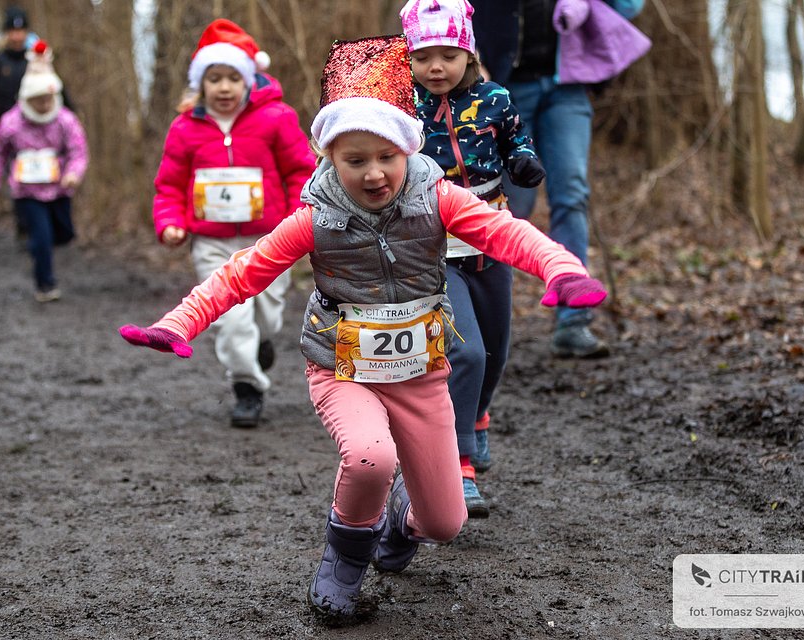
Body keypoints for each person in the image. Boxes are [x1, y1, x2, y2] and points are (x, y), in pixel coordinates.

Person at [119, 35, 607, 620]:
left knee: (444, 523)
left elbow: (509, 234)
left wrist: (562, 268)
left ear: (408, 151)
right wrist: (179, 323)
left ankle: (403, 522)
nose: (374, 174)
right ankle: (342, 569)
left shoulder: (440, 199)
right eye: (354, 161)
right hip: (342, 367)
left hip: (421, 373)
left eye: (386, 158)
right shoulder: (313, 217)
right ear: (331, 160)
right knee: (370, 456)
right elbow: (240, 274)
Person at [401, 0, 546, 518]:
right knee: (464, 353)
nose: (435, 67)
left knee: (497, 351)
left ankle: (478, 417)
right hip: (433, 241)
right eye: (423, 57)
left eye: (447, 55)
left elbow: (515, 140)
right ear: (409, 58)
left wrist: (524, 162)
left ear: (468, 53)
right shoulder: (402, 105)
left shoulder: (495, 98)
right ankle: (460, 465)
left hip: (489, 234)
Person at [152, 19, 315, 429]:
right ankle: (247, 388)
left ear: (248, 80)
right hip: (211, 241)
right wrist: (170, 222)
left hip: (270, 237)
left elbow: (300, 171)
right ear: (200, 84)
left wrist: (302, 216)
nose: (224, 88)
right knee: (231, 317)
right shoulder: (185, 128)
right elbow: (168, 184)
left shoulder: (276, 118)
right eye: (214, 79)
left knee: (266, 316)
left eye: (232, 78)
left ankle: (259, 345)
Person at [472, 0, 648, 359]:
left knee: (571, 195)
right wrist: (469, 57)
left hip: (566, 85)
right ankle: (483, 325)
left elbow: (629, 6)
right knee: (504, 209)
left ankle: (573, 320)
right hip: (504, 90)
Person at [0, 41, 88, 303]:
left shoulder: (65, 119)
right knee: (41, 237)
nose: (43, 105)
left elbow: (78, 150)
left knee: (63, 233)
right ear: (27, 98)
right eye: (37, 100)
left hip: (59, 187)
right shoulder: (12, 122)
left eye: (47, 99)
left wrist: (74, 173)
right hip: (26, 191)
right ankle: (45, 283)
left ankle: (44, 246)